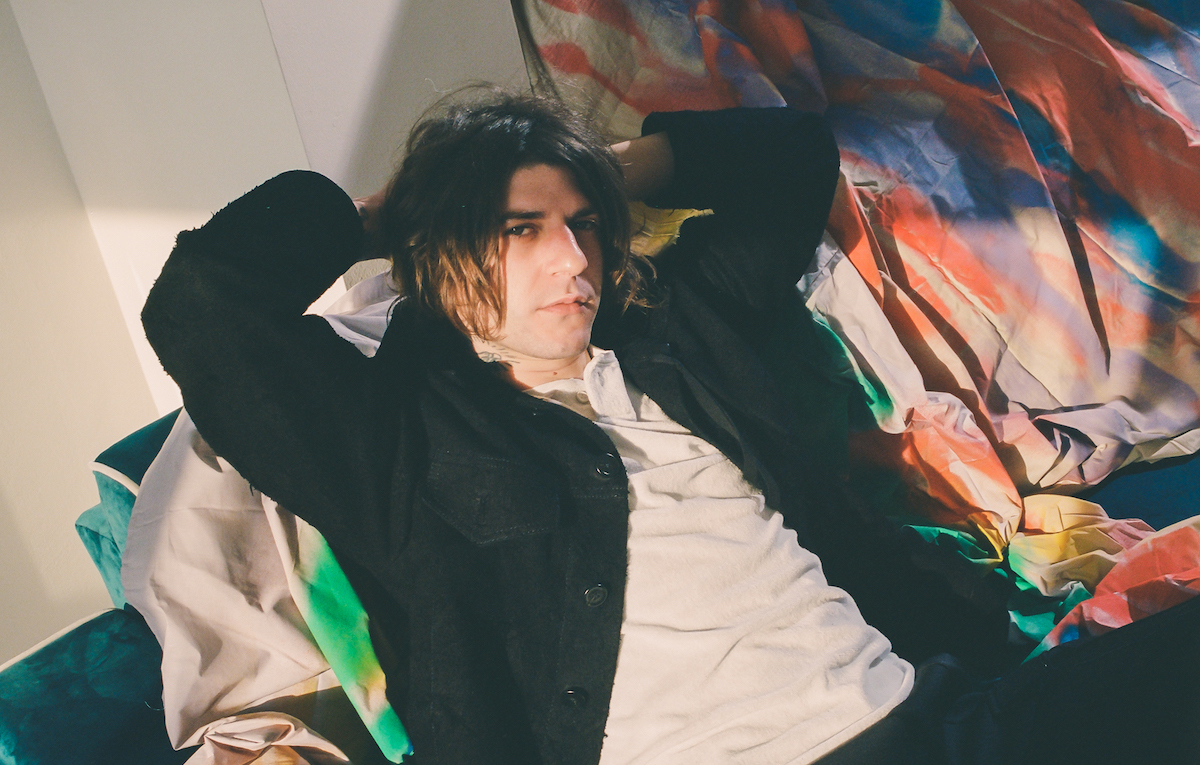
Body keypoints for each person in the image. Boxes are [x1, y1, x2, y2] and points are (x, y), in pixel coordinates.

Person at [142, 91, 1198, 764]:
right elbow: (202, 306)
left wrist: (595, 169)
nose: (574, 260)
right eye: (522, 231)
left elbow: (791, 153)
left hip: (938, 724)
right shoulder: (393, 435)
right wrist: (391, 215)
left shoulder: (676, 331)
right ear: (446, 253)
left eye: (583, 227)